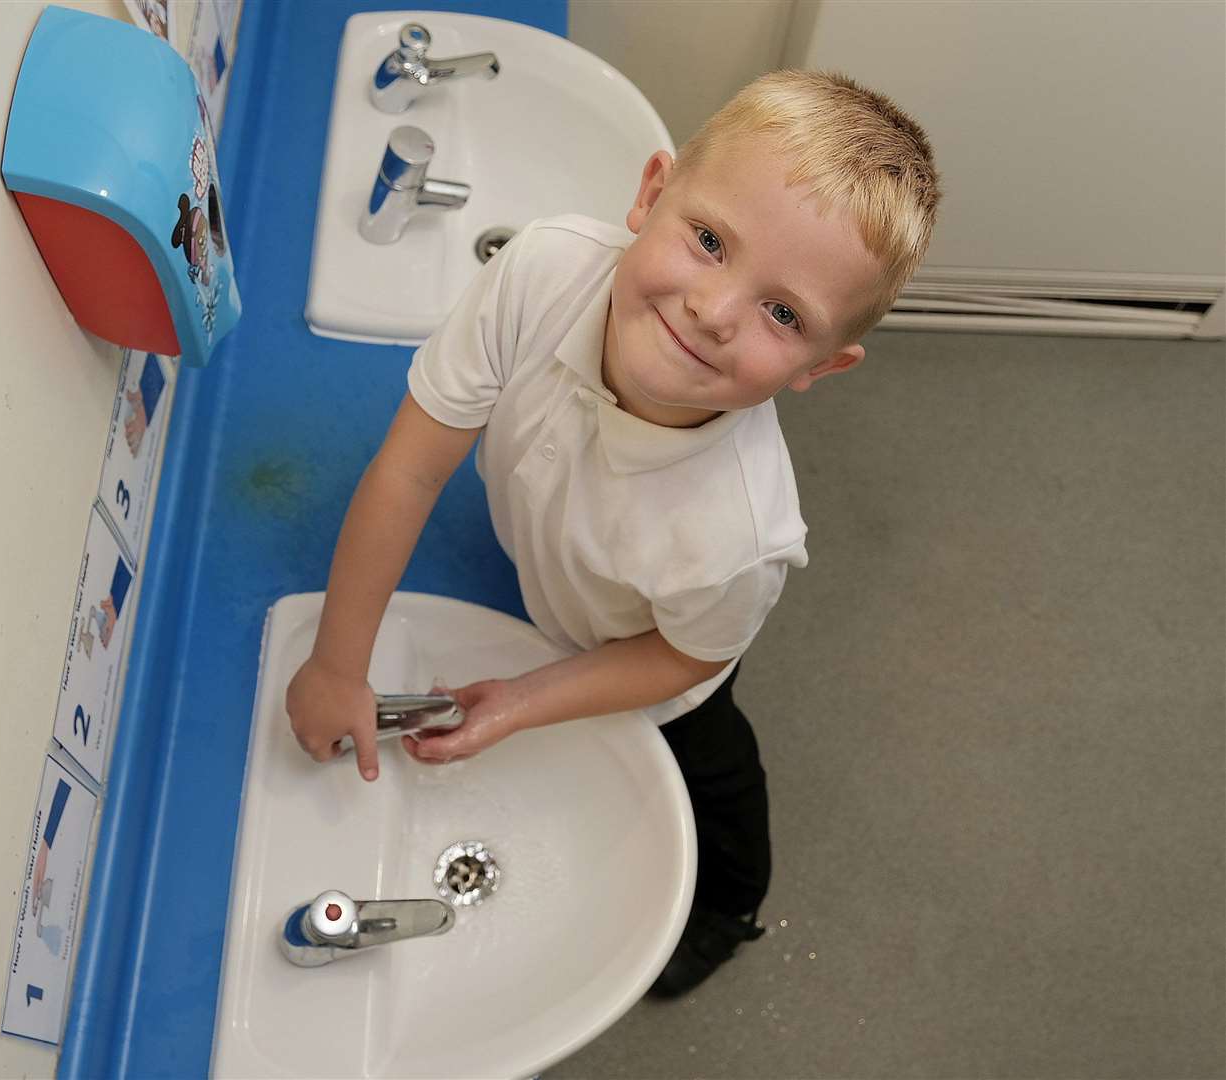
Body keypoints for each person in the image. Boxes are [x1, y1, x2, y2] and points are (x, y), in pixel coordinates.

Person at [285, 70, 940, 995]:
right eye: (709, 241)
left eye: (781, 312)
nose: (713, 312)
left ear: (819, 366)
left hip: (655, 644)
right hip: (557, 558)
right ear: (649, 193)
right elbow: (410, 467)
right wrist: (336, 665)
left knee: (712, 761)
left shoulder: (737, 535)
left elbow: (678, 661)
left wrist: (522, 699)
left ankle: (730, 908)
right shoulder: (540, 270)